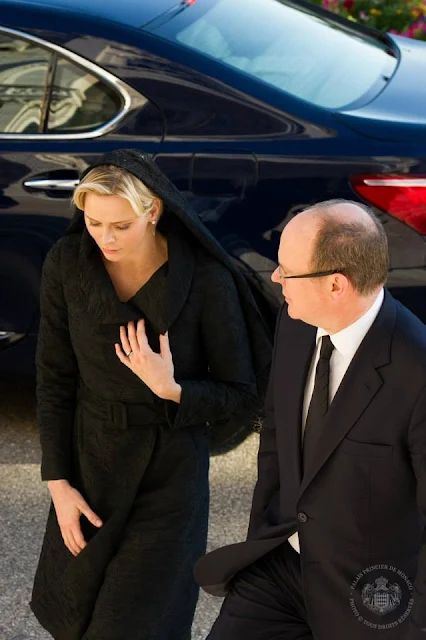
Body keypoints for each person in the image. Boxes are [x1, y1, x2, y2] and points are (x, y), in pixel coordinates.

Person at [30, 149, 271, 640]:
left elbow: (243, 394)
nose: (105, 238)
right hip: (90, 467)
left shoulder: (207, 280)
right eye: (94, 222)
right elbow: (54, 377)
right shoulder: (67, 264)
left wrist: (172, 388)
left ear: (153, 210)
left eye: (120, 225)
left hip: (171, 478)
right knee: (78, 618)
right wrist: (59, 485)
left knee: (137, 625)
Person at [195, 199, 426, 640]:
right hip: (283, 564)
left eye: (286, 269)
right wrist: (260, 541)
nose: (276, 277)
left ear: (336, 285)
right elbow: (277, 441)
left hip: (370, 595)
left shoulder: (418, 371)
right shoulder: (297, 319)